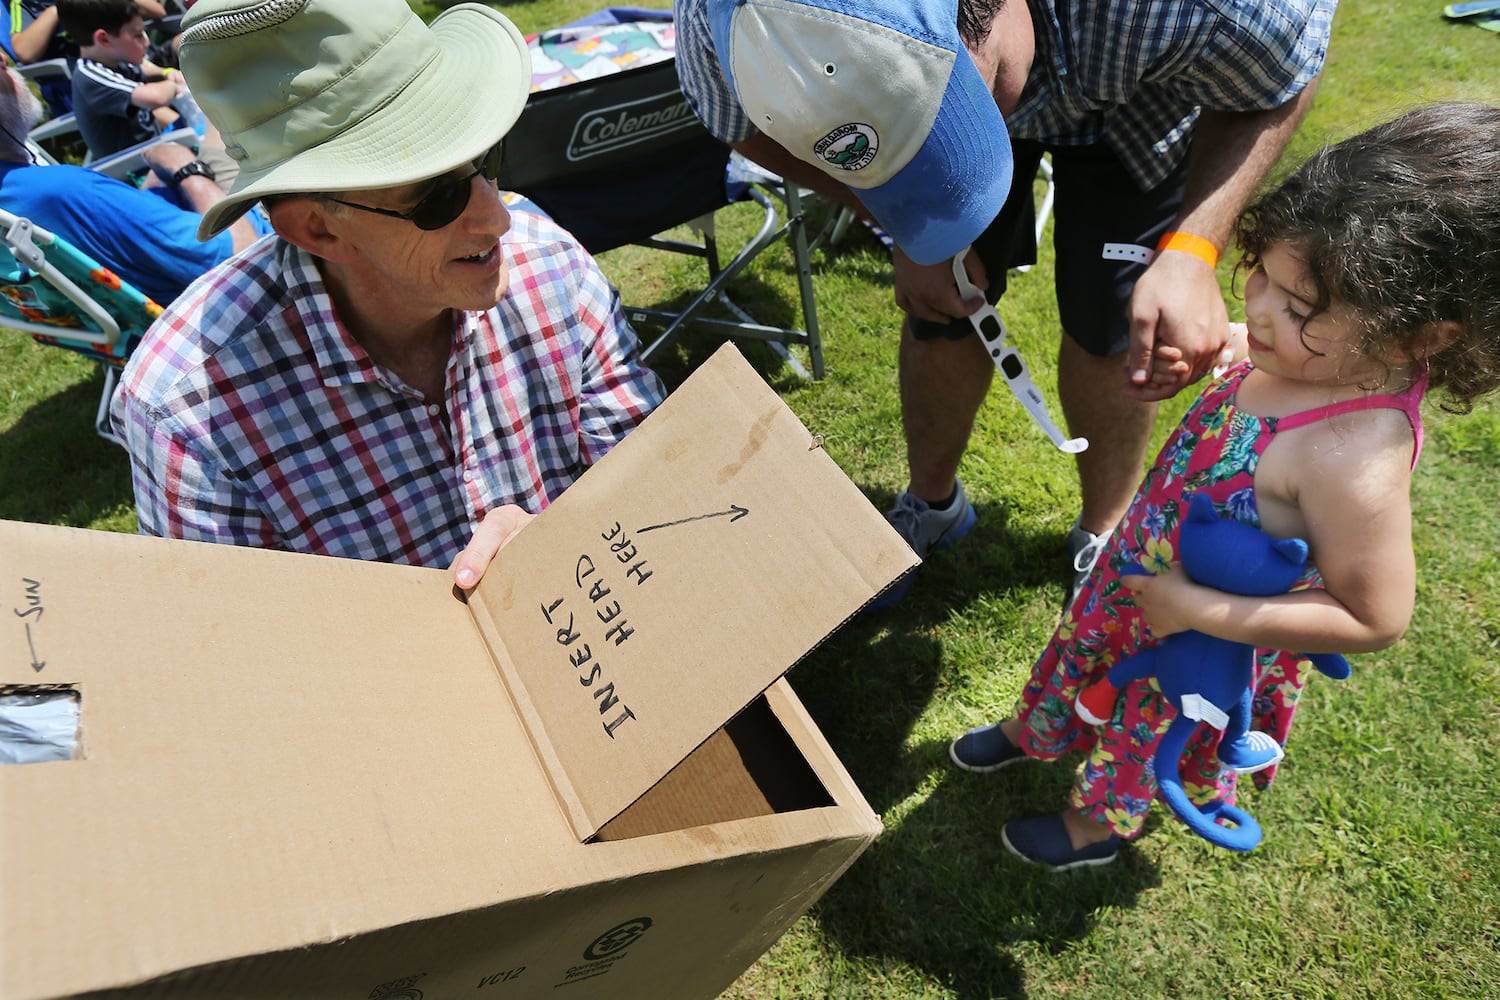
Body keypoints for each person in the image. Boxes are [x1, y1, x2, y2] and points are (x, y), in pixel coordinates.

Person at [944, 102, 1500, 870]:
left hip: (1201, 631)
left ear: (1421, 336)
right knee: (1086, 651)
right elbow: (1250, 378)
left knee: (1145, 718)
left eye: (1298, 306)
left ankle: (1094, 828)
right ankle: (1036, 730)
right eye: (1261, 273)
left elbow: (1376, 618)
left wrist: (1197, 608)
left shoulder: (1353, 457)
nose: (1258, 309)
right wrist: (1224, 357)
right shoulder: (1306, 359)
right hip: (1137, 576)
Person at [674, 0, 1334, 603]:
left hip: (1144, 108)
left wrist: (1194, 249)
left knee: (1112, 323)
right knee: (942, 314)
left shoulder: (1200, 9)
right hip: (1035, 58)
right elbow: (736, 126)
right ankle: (933, 505)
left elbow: (1280, 78)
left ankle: (1103, 532)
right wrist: (901, 220)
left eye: (949, 116)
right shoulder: (720, 23)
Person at [109, 0, 665, 591]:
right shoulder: (188, 413)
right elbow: (248, 657)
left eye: (485, 157)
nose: (497, 218)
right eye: (436, 197)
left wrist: (558, 558)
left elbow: (663, 495)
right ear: (318, 229)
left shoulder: (551, 266)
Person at [0, 60, 265, 306]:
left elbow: (118, 232)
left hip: (143, 279)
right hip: (243, 270)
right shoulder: (63, 192)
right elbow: (241, 255)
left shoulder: (18, 196)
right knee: (223, 113)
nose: (3, 58)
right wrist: (186, 171)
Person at [59, 0, 181, 158]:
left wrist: (166, 73)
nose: (147, 41)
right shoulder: (90, 75)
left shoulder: (115, 63)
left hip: (156, 152)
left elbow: (144, 72)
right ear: (104, 40)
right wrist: (174, 84)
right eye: (138, 35)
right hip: (136, 171)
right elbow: (156, 97)